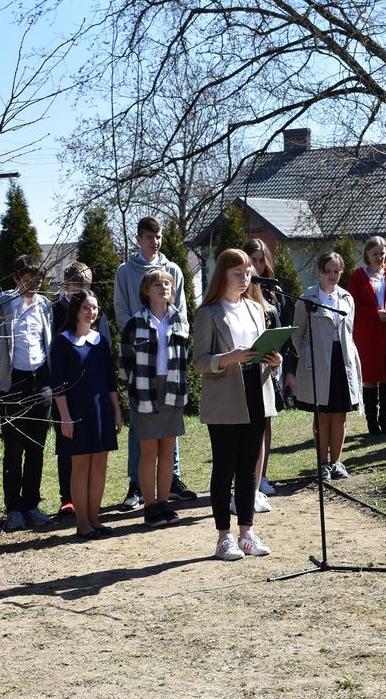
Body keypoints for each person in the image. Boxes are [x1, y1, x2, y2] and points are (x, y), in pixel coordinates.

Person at [193, 249, 281, 560]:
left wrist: (275, 361)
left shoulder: (257, 309)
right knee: (225, 467)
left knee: (248, 468)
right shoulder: (209, 313)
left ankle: (247, 532)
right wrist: (227, 358)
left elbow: (264, 353)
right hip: (225, 400)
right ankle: (223, 537)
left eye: (247, 273)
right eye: (237, 273)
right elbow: (199, 362)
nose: (244, 279)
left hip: (257, 394)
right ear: (222, 275)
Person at [114, 216, 196, 510]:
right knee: (145, 439)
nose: (155, 241)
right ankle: (137, 487)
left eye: (158, 236)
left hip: (170, 378)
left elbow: (183, 311)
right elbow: (122, 312)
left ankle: (169, 485)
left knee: (168, 440)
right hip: (144, 372)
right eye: (149, 237)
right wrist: (142, 335)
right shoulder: (126, 271)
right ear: (139, 239)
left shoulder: (173, 269)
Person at [0, 254, 54, 531]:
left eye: (37, 279)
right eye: (27, 279)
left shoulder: (45, 305)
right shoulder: (0, 304)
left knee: (37, 448)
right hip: (13, 383)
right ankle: (13, 508)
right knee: (14, 449)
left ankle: (31, 504)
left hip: (41, 382)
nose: (33, 284)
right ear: (16, 279)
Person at [51, 290, 122, 539]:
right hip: (76, 413)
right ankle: (82, 523)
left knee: (100, 465)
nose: (91, 312)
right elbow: (57, 384)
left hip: (101, 410)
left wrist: (116, 410)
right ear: (75, 311)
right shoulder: (63, 341)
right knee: (80, 466)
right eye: (86, 308)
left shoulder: (100, 341)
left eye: (95, 307)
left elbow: (110, 380)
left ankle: (95, 519)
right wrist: (65, 418)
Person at [121, 270, 189, 528]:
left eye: (168, 283)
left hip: (172, 389)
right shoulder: (135, 322)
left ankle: (164, 503)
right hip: (145, 389)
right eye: (157, 283)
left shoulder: (180, 320)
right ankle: (150, 507)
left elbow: (183, 358)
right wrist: (135, 389)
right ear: (146, 291)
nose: (164, 286)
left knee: (167, 451)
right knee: (148, 453)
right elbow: (125, 362)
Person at [291, 253, 362, 481]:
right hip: (318, 364)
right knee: (322, 415)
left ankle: (336, 462)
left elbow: (349, 331)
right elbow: (297, 335)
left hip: (342, 361)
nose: (332, 276)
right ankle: (322, 464)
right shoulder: (307, 299)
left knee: (339, 414)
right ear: (319, 271)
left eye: (336, 271)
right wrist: (308, 357)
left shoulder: (347, 298)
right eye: (327, 271)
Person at [348, 236, 386, 436]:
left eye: (382, 253)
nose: (379, 258)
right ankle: (372, 423)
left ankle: (385, 421)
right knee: (370, 378)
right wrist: (375, 314)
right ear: (367, 254)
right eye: (375, 254)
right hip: (367, 334)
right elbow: (352, 306)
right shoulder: (358, 276)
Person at [242, 239, 286, 503]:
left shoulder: (272, 291)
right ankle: (247, 483)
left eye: (261, 260)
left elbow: (280, 326)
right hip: (246, 367)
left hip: (270, 364)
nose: (258, 266)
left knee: (266, 422)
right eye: (253, 261)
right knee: (249, 426)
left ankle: (262, 475)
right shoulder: (242, 291)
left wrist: (280, 359)